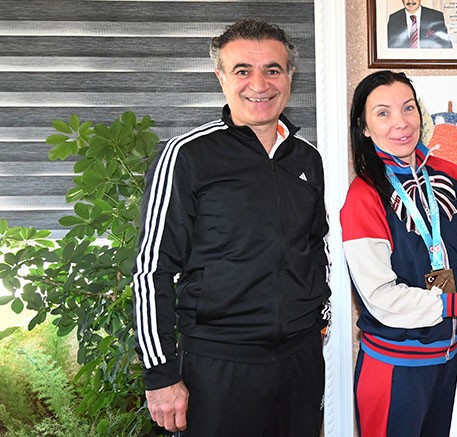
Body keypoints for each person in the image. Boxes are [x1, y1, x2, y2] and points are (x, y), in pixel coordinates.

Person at [132, 18, 330, 436]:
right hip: (218, 367)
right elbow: (152, 270)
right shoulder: (186, 156)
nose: (259, 84)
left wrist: (318, 314)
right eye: (242, 70)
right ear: (221, 77)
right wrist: (161, 374)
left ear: (290, 75)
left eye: (272, 69)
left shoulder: (307, 158)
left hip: (300, 360)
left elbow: (315, 245)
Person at [341, 70, 457, 437]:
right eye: (383, 113)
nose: (401, 122)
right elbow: (380, 297)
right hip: (396, 367)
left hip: (452, 358)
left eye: (408, 108)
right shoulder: (364, 196)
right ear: (365, 128)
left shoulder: (449, 172)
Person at [387, 0, 451, 49]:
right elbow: (389, 45)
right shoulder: (394, 19)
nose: (410, 1)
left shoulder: (436, 16)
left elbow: (445, 45)